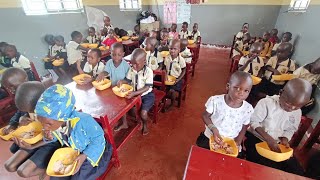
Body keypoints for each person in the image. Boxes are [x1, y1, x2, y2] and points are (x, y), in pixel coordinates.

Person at [35, 84, 113, 180]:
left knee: (78, 178)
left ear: (63, 117)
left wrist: (84, 156)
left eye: (48, 124)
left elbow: (99, 140)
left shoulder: (84, 120)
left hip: (95, 152)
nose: (44, 127)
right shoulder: (55, 123)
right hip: (74, 150)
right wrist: (49, 137)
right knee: (54, 176)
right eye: (41, 122)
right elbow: (58, 136)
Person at [245, 78, 312, 176]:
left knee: (296, 170)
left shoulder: (297, 112)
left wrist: (285, 139)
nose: (291, 108)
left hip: (277, 143)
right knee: (268, 169)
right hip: (256, 139)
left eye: (297, 106)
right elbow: (254, 121)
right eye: (288, 103)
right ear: (281, 93)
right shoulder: (266, 103)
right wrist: (268, 139)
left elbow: (290, 129)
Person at [4, 82, 60, 180]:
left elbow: (56, 137)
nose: (31, 113)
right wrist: (21, 119)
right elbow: (19, 114)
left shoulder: (53, 111)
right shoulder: (27, 102)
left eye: (32, 110)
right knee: (9, 166)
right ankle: (36, 163)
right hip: (34, 139)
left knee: (23, 172)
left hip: (50, 142)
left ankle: (47, 169)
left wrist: (32, 146)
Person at [196, 71, 254, 150]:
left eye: (246, 91)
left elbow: (244, 126)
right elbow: (205, 115)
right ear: (228, 86)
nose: (241, 93)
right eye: (238, 88)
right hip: (210, 137)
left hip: (230, 142)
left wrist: (238, 141)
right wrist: (213, 129)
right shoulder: (215, 101)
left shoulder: (248, 109)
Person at [118, 49, 155, 135]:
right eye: (132, 63)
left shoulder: (148, 71)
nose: (134, 66)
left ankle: (145, 124)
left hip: (147, 95)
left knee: (143, 113)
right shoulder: (132, 69)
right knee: (122, 106)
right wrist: (122, 81)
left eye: (136, 64)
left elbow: (147, 87)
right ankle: (125, 123)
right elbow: (127, 80)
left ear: (144, 62)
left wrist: (135, 93)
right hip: (134, 93)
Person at [1, 68, 28, 134]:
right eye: (7, 88)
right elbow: (19, 112)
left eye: (12, 86)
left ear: (24, 81)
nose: (10, 90)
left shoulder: (37, 92)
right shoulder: (19, 96)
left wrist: (25, 116)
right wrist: (12, 125)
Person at [164, 39, 186, 110]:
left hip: (177, 79)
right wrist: (165, 76)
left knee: (172, 91)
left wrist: (178, 79)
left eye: (175, 49)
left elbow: (184, 70)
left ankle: (172, 103)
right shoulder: (167, 57)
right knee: (161, 87)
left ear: (179, 50)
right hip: (168, 78)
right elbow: (165, 68)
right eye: (170, 48)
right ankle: (163, 100)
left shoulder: (181, 60)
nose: (172, 51)